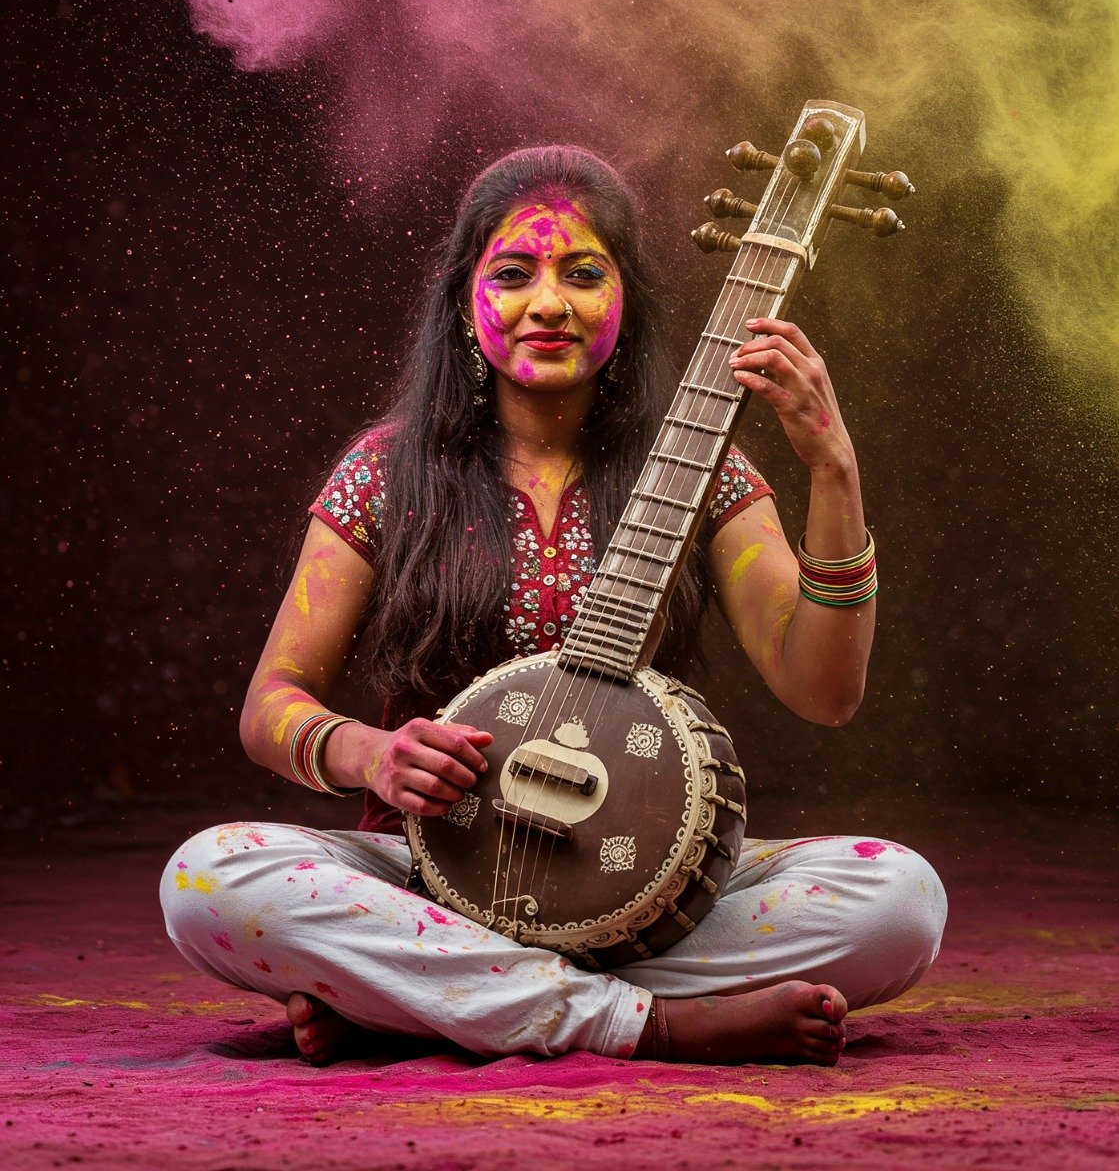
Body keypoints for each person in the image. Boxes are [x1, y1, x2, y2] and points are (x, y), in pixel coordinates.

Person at [161, 145, 946, 1067]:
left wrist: (831, 465)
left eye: (582, 273)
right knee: (208, 877)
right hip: (424, 874)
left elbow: (824, 693)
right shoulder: (385, 470)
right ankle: (648, 1026)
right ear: (464, 302)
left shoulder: (700, 464)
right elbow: (270, 706)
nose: (547, 303)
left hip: (637, 880)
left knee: (898, 898)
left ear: (625, 301)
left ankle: (421, 998)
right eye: (512, 273)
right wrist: (372, 754)